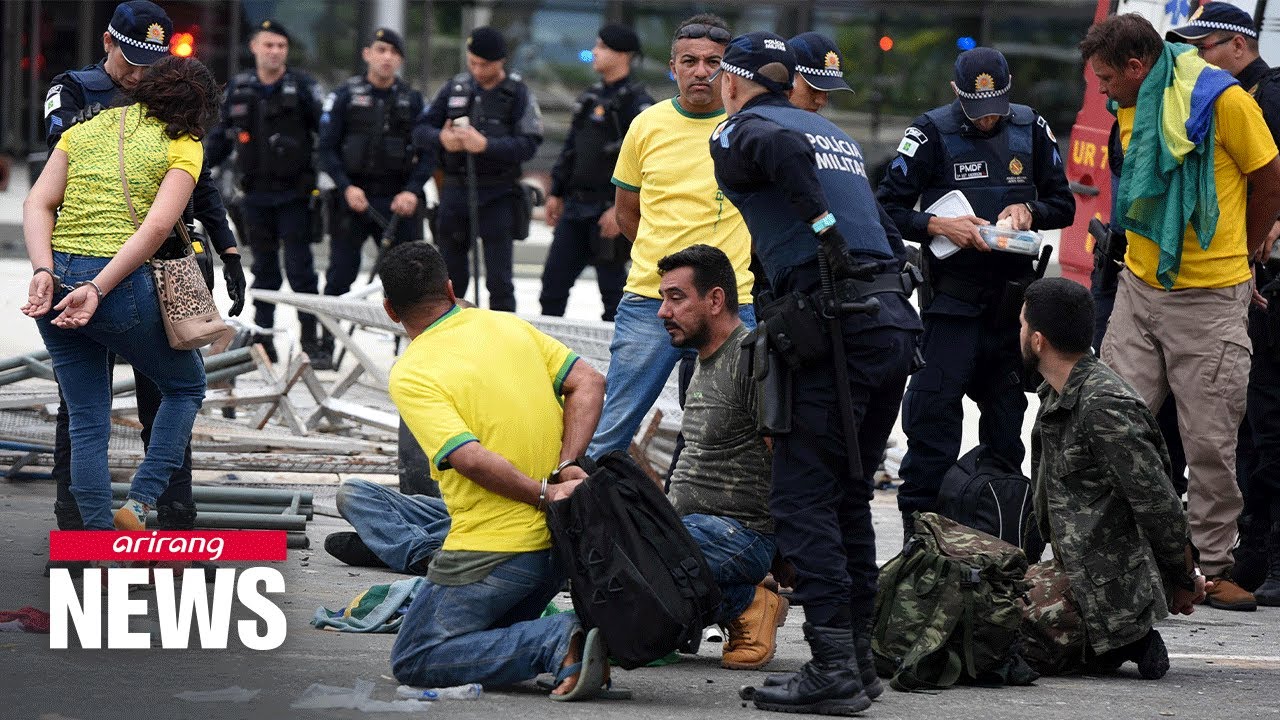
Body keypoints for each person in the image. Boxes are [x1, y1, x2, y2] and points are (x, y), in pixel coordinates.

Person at [710, 32, 921, 715]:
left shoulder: (744, 128)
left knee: (803, 498)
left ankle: (832, 666)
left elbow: (777, 155)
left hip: (836, 330)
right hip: (886, 323)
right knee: (847, 496)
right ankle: (855, 661)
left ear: (734, 81)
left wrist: (821, 225)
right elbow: (885, 227)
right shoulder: (833, 136)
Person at [1081, 13, 1280, 611]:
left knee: (1209, 443)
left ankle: (1213, 567)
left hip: (1210, 297)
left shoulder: (1221, 100)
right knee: (1113, 423)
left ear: (1138, 68)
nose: (1103, 90)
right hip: (1140, 287)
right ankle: (1120, 549)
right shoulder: (1133, 102)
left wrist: (1248, 252)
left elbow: (1269, 171)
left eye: (1108, 78)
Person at [41, 0, 244, 540]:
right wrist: (95, 285)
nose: (137, 73)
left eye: (149, 65)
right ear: (107, 41)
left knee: (95, 416)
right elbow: (153, 221)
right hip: (121, 279)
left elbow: (201, 195)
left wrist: (228, 252)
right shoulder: (77, 94)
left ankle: (112, 536)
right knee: (179, 390)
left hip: (70, 273)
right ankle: (122, 511)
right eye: (131, 60)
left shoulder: (111, 124)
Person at [379, 242, 617, 699]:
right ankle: (570, 647)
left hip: (493, 551)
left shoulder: (411, 371)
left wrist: (543, 492)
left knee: (416, 656)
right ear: (451, 289)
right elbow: (589, 380)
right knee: (478, 646)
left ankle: (556, 640)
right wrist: (565, 467)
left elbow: (468, 458)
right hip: (558, 546)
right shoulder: (508, 325)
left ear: (391, 310)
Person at [876, 47, 1075, 538]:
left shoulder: (1031, 128)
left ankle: (1000, 539)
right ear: (955, 95)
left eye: (996, 110)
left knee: (1006, 428)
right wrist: (936, 224)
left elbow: (1064, 203)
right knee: (931, 422)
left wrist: (1030, 210)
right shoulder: (929, 134)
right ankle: (920, 540)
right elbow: (884, 209)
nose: (987, 119)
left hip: (1011, 309)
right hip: (950, 305)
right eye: (976, 109)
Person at [1019, 278, 1207, 678]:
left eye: (1021, 325)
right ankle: (1112, 640)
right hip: (1078, 571)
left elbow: (1158, 503)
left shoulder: (1103, 405)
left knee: (991, 639)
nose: (1016, 334)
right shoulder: (1058, 394)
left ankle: (1127, 638)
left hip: (1109, 585)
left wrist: (1184, 579)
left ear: (1037, 341)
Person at [588, 13, 755, 457]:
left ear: (730, 69)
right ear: (673, 66)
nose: (701, 72)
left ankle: (706, 521)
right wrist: (668, 268)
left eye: (713, 62)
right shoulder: (647, 125)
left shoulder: (750, 128)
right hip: (650, 298)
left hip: (730, 302)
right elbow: (627, 214)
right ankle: (584, 514)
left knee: (729, 433)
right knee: (612, 429)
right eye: (689, 61)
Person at [1166, 1, 1280, 606]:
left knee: (1260, 422)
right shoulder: (1210, 95)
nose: (1196, 57)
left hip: (1257, 280)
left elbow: (1270, 181)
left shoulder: (1262, 99)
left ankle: (1256, 558)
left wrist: (1254, 254)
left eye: (1205, 46)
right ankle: (1228, 556)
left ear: (1238, 46)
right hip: (1230, 277)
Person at [656, 244, 785, 670]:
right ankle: (733, 598)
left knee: (638, 564)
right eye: (662, 299)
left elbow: (788, 462)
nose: (662, 311)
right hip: (689, 529)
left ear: (715, 300)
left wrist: (795, 557)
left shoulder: (754, 357)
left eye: (676, 298)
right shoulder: (694, 364)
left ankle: (748, 603)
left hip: (742, 533)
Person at [207, 19, 326, 366]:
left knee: (301, 270)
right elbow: (218, 141)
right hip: (255, 197)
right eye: (269, 45)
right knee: (264, 270)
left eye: (281, 46)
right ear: (255, 47)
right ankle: (263, 342)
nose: (275, 52)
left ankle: (311, 340)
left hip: (296, 196)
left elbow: (327, 137)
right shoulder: (240, 89)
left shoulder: (303, 88)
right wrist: (194, 170)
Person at [414, 27, 543, 312]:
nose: (476, 70)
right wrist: (441, 139)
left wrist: (485, 145)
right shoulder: (455, 88)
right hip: (456, 191)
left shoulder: (517, 93)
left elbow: (529, 143)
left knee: (499, 282)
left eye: (483, 64)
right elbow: (420, 129)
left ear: (501, 62)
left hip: (498, 193)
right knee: (450, 279)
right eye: (472, 62)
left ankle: (501, 346)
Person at [318, 28, 429, 358]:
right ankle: (327, 346)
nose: (387, 57)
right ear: (367, 53)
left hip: (399, 203)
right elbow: (326, 148)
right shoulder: (346, 95)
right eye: (381, 50)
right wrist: (345, 186)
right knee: (340, 276)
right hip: (354, 199)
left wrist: (412, 191)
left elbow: (428, 155)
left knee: (410, 279)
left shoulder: (413, 100)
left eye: (394, 52)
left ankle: (412, 352)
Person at [539, 25, 652, 322]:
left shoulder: (637, 103)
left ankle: (616, 364)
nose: (595, 52)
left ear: (623, 54)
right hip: (575, 207)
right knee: (552, 286)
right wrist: (557, 192)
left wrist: (621, 208)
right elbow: (571, 147)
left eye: (602, 46)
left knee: (614, 295)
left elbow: (645, 162)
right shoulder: (590, 97)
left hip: (609, 210)